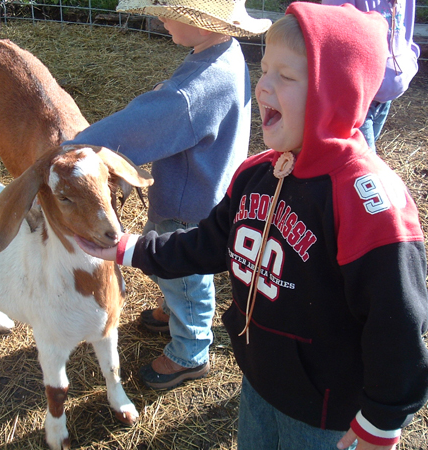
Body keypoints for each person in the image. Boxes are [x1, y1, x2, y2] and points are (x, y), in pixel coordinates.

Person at [76, 2, 428, 449]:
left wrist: (380, 422)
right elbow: (207, 244)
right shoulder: (257, 175)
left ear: (333, 91)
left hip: (325, 413)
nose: (262, 87)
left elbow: (396, 322)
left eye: (285, 76)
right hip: (260, 382)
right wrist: (129, 249)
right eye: (264, 70)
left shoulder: (366, 203)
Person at [65, 0, 271, 389]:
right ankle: (174, 309)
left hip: (188, 202)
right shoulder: (223, 53)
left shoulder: (194, 89)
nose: (159, 15)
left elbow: (143, 124)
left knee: (187, 275)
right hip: (205, 185)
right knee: (174, 268)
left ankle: (190, 352)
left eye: (170, 9)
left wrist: (75, 147)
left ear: (203, 22)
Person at [322, 0, 420, 153]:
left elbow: (405, 35)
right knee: (364, 161)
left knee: (365, 156)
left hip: (385, 98)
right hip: (356, 99)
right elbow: (334, 37)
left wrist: (408, 64)